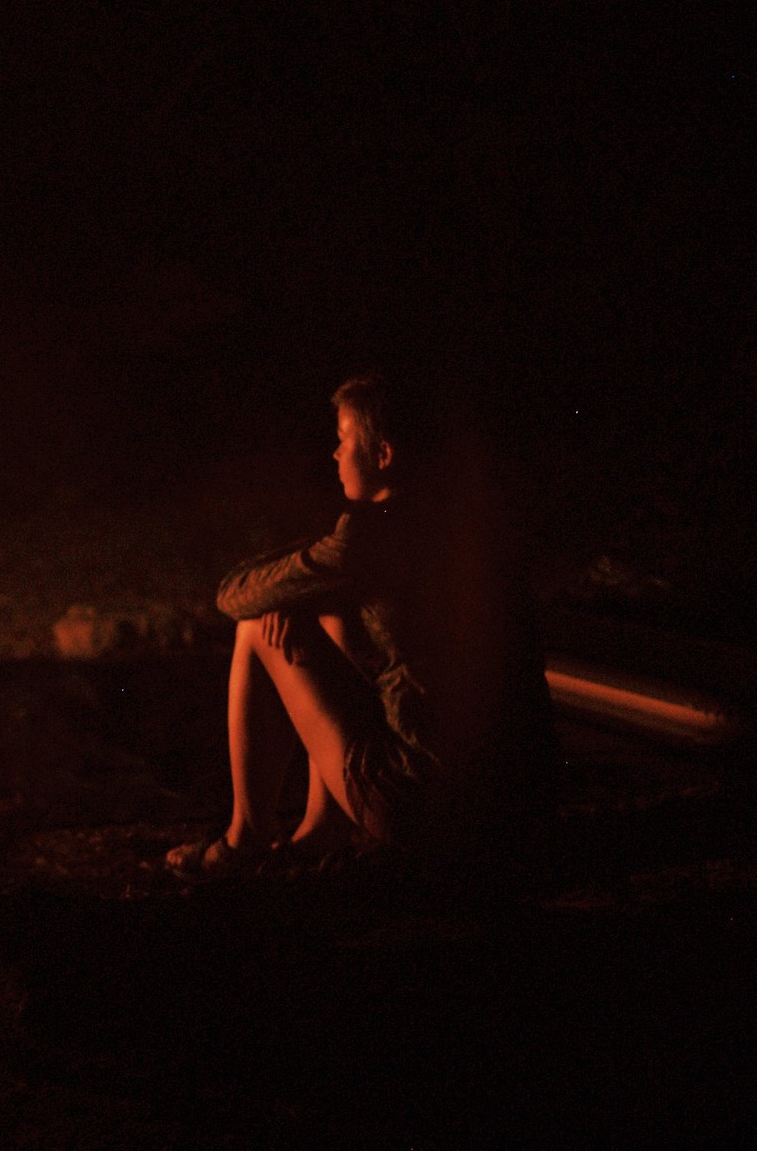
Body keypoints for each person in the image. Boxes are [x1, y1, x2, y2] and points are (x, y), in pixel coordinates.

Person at [168, 375, 557, 876]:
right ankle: (322, 832)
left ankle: (243, 840)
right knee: (328, 610)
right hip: (518, 810)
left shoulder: (369, 539)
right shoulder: (465, 526)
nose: (333, 454)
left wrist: (300, 580)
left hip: (424, 812)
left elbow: (233, 596)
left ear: (384, 455)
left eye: (344, 439)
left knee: (258, 625)